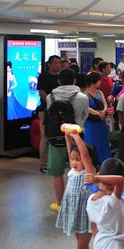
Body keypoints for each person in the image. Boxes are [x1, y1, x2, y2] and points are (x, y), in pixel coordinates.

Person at [47, 68, 90, 212]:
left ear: (59, 81)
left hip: (56, 138)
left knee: (57, 173)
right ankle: (81, 203)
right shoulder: (82, 97)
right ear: (74, 80)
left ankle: (60, 204)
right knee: (80, 171)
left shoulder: (50, 97)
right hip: (77, 138)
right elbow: (84, 116)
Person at [55, 129, 95, 248]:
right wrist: (67, 135)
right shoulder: (73, 171)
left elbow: (84, 155)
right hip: (74, 211)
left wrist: (77, 137)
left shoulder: (88, 173)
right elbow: (69, 149)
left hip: (85, 213)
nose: (74, 162)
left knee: (81, 245)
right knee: (81, 243)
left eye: (78, 160)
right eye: (72, 159)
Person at [85, 158, 124, 249]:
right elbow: (119, 180)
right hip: (116, 244)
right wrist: (97, 178)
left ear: (99, 174)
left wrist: (96, 178)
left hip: (99, 242)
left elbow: (93, 226)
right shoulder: (113, 201)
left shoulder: (90, 200)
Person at [37, 55, 61, 174]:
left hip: (59, 111)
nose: (58, 65)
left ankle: (57, 160)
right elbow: (42, 93)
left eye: (59, 63)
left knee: (57, 135)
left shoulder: (59, 77)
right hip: (46, 110)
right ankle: (44, 164)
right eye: (55, 63)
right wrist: (52, 104)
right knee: (45, 137)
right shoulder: (43, 77)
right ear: (50, 64)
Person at [83, 73, 111, 164]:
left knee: (103, 141)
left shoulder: (100, 92)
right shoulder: (85, 94)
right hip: (91, 121)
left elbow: (105, 103)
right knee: (92, 141)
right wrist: (98, 113)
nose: (100, 82)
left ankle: (105, 161)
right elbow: (86, 107)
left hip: (101, 121)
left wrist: (104, 111)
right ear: (93, 82)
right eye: (98, 81)